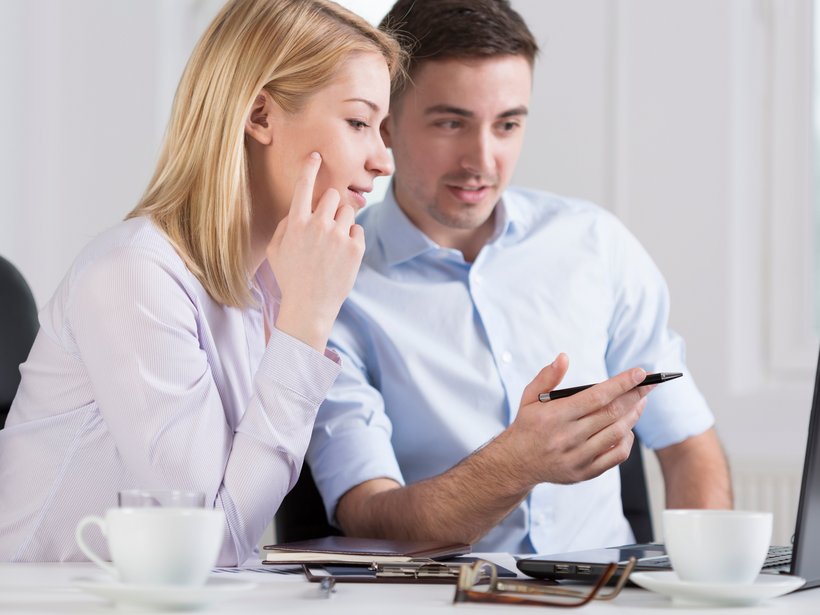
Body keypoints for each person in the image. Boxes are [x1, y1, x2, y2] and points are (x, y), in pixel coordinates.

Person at [305, 0, 732, 554]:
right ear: (385, 124)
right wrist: (516, 465)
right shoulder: (333, 286)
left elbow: (687, 445)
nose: (481, 160)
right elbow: (368, 514)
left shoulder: (593, 245)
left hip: (612, 596)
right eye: (451, 122)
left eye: (507, 124)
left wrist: (709, 582)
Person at [0, 0, 402, 565]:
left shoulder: (269, 284)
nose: (384, 160)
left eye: (382, 130)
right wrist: (307, 323)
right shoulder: (134, 274)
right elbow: (211, 544)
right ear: (259, 116)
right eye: (359, 123)